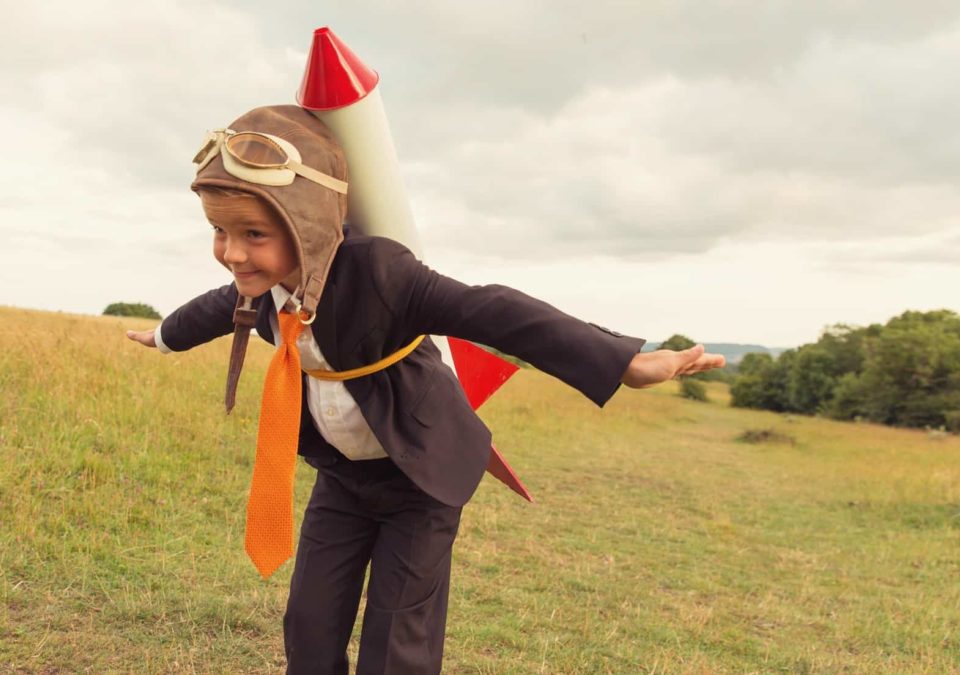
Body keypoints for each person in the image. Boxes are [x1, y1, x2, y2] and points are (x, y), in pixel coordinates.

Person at [127, 105, 724, 674]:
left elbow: (493, 311)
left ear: (306, 224)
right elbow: (215, 308)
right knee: (309, 624)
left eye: (253, 233)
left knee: (396, 638)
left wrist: (624, 364)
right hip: (342, 479)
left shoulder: (381, 273)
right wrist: (163, 336)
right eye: (219, 232)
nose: (231, 253)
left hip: (421, 477)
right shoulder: (259, 288)